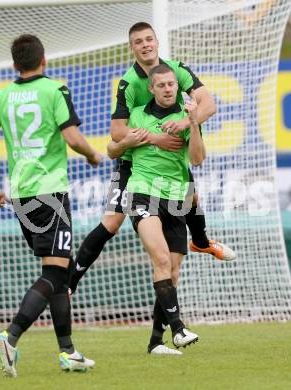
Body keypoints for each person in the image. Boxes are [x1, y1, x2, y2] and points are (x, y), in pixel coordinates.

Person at [69, 21, 235, 295]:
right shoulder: (129, 83)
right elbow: (117, 132)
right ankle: (71, 282)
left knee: (192, 197)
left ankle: (202, 242)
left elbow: (209, 104)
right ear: (132, 48)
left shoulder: (176, 70)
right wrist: (157, 137)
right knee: (112, 221)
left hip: (168, 158)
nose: (145, 45)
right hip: (135, 161)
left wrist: (184, 124)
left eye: (149, 39)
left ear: (157, 42)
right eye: (139, 41)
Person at [0, 34, 102, 377]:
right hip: (50, 193)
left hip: (22, 194)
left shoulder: (2, 96)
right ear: (44, 60)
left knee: (60, 269)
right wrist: (92, 155)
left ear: (15, 64)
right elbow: (73, 138)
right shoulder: (54, 90)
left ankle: (68, 351)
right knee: (56, 272)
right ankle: (10, 336)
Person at [126, 63, 204, 354]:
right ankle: (179, 329)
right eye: (162, 85)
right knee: (160, 259)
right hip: (142, 193)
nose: (168, 89)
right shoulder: (136, 115)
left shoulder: (186, 118)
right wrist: (141, 138)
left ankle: (156, 342)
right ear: (151, 88)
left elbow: (196, 159)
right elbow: (114, 146)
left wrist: (194, 123)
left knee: (171, 272)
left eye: (172, 84)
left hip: (174, 199)